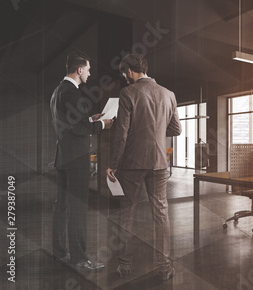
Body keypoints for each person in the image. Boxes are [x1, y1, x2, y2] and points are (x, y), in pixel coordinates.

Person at [106, 54, 181, 281]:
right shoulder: (169, 94)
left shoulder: (128, 93)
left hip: (132, 164)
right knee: (161, 213)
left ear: (129, 71)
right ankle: (164, 266)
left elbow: (122, 134)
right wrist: (156, 133)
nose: (124, 78)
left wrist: (113, 164)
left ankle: (125, 265)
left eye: (124, 74)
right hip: (159, 163)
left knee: (126, 213)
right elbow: (176, 129)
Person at [50, 51, 113, 270]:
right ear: (79, 70)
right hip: (76, 160)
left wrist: (89, 118)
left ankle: (58, 251)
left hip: (62, 157)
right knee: (78, 207)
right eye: (87, 69)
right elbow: (78, 128)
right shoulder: (73, 93)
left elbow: (71, 122)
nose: (89, 72)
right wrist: (102, 125)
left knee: (62, 206)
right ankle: (79, 258)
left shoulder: (58, 91)